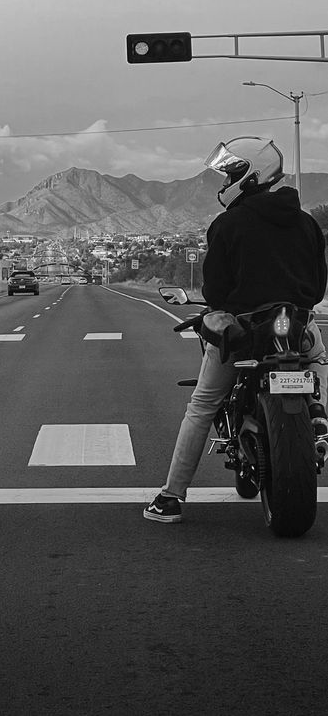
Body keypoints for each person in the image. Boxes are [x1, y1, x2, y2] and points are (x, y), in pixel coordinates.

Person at [144, 136, 328, 524]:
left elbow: (215, 293)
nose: (224, 181)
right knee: (318, 364)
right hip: (297, 326)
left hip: (246, 334)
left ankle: (171, 497)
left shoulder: (228, 225)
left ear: (251, 175)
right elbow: (317, 287)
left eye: (230, 172)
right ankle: (319, 419)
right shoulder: (308, 223)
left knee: (202, 405)